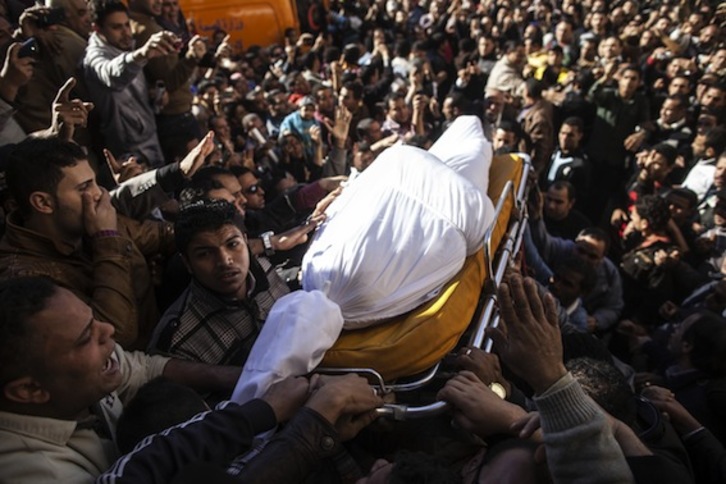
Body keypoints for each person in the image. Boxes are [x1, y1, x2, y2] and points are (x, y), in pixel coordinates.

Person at [0, 276, 241, 483]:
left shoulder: (80, 370)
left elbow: (144, 369)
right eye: (85, 338)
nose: (108, 329)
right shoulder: (41, 474)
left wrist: (241, 376)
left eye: (93, 319)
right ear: (29, 389)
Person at [148, 199, 291, 366]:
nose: (224, 261)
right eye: (205, 254)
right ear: (187, 263)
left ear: (245, 241)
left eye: (232, 244)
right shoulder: (178, 344)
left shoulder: (263, 269)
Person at [83, 0, 177, 167]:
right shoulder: (94, 57)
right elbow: (112, 75)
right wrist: (142, 54)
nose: (126, 32)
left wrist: (154, 94)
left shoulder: (126, 48)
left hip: (150, 141)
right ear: (97, 29)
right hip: (129, 154)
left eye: (127, 25)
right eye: (117, 27)